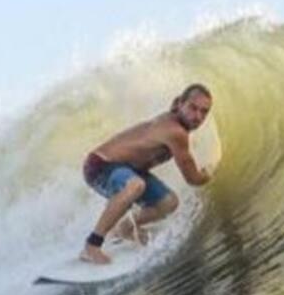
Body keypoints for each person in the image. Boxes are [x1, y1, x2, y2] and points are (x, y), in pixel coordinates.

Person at [80, 83, 214, 264]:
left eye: (204, 112)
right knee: (135, 185)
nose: (198, 116)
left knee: (168, 202)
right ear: (180, 103)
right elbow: (193, 179)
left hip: (127, 169)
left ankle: (124, 229)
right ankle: (91, 246)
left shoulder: (173, 123)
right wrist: (208, 174)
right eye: (193, 108)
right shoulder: (176, 132)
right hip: (100, 165)